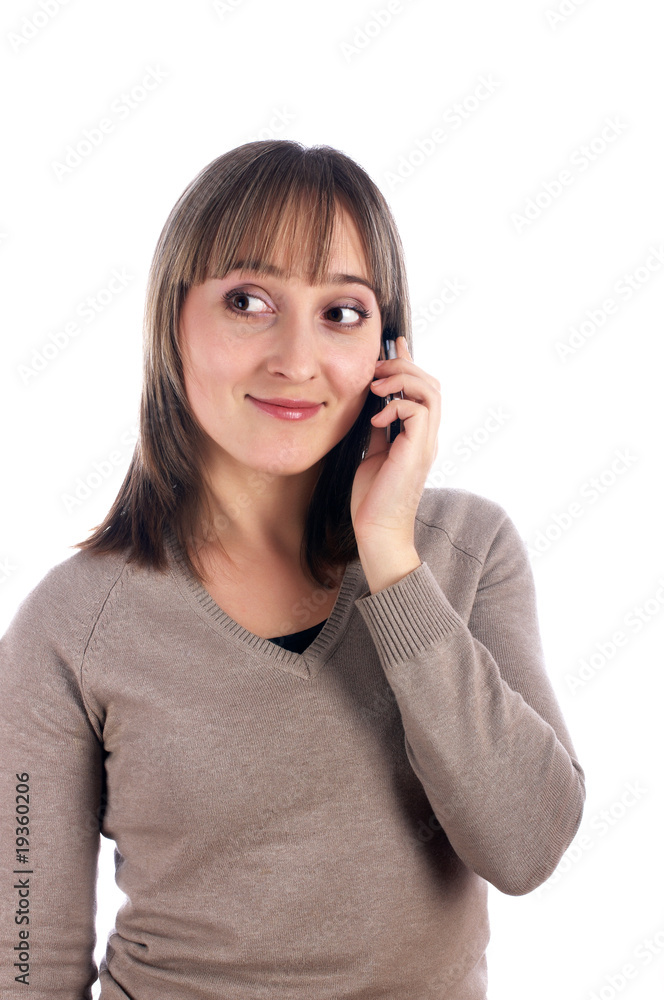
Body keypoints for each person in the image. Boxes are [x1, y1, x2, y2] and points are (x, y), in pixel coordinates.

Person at [0, 140, 585, 999]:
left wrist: (391, 555)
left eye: (341, 312)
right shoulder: (71, 625)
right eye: (248, 300)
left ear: (390, 346)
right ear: (174, 324)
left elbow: (527, 845)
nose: (295, 358)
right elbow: (23, 958)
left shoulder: (467, 551)